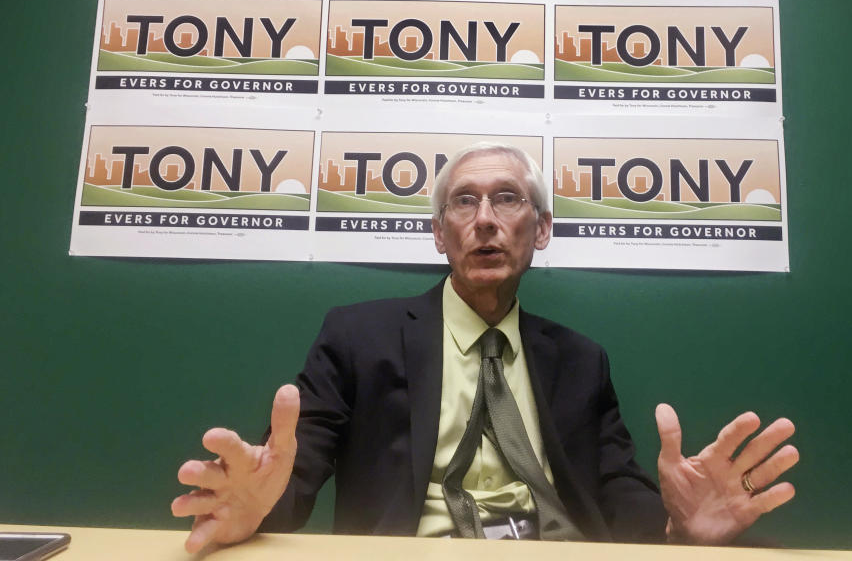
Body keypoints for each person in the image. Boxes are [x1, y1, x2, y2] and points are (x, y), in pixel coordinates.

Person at [171, 142, 798, 552]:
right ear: (441, 235)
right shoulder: (358, 338)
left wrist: (677, 528)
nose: (486, 220)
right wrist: (261, 505)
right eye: (463, 203)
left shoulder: (581, 360)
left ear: (542, 230)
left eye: (507, 199)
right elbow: (293, 469)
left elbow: (616, 491)